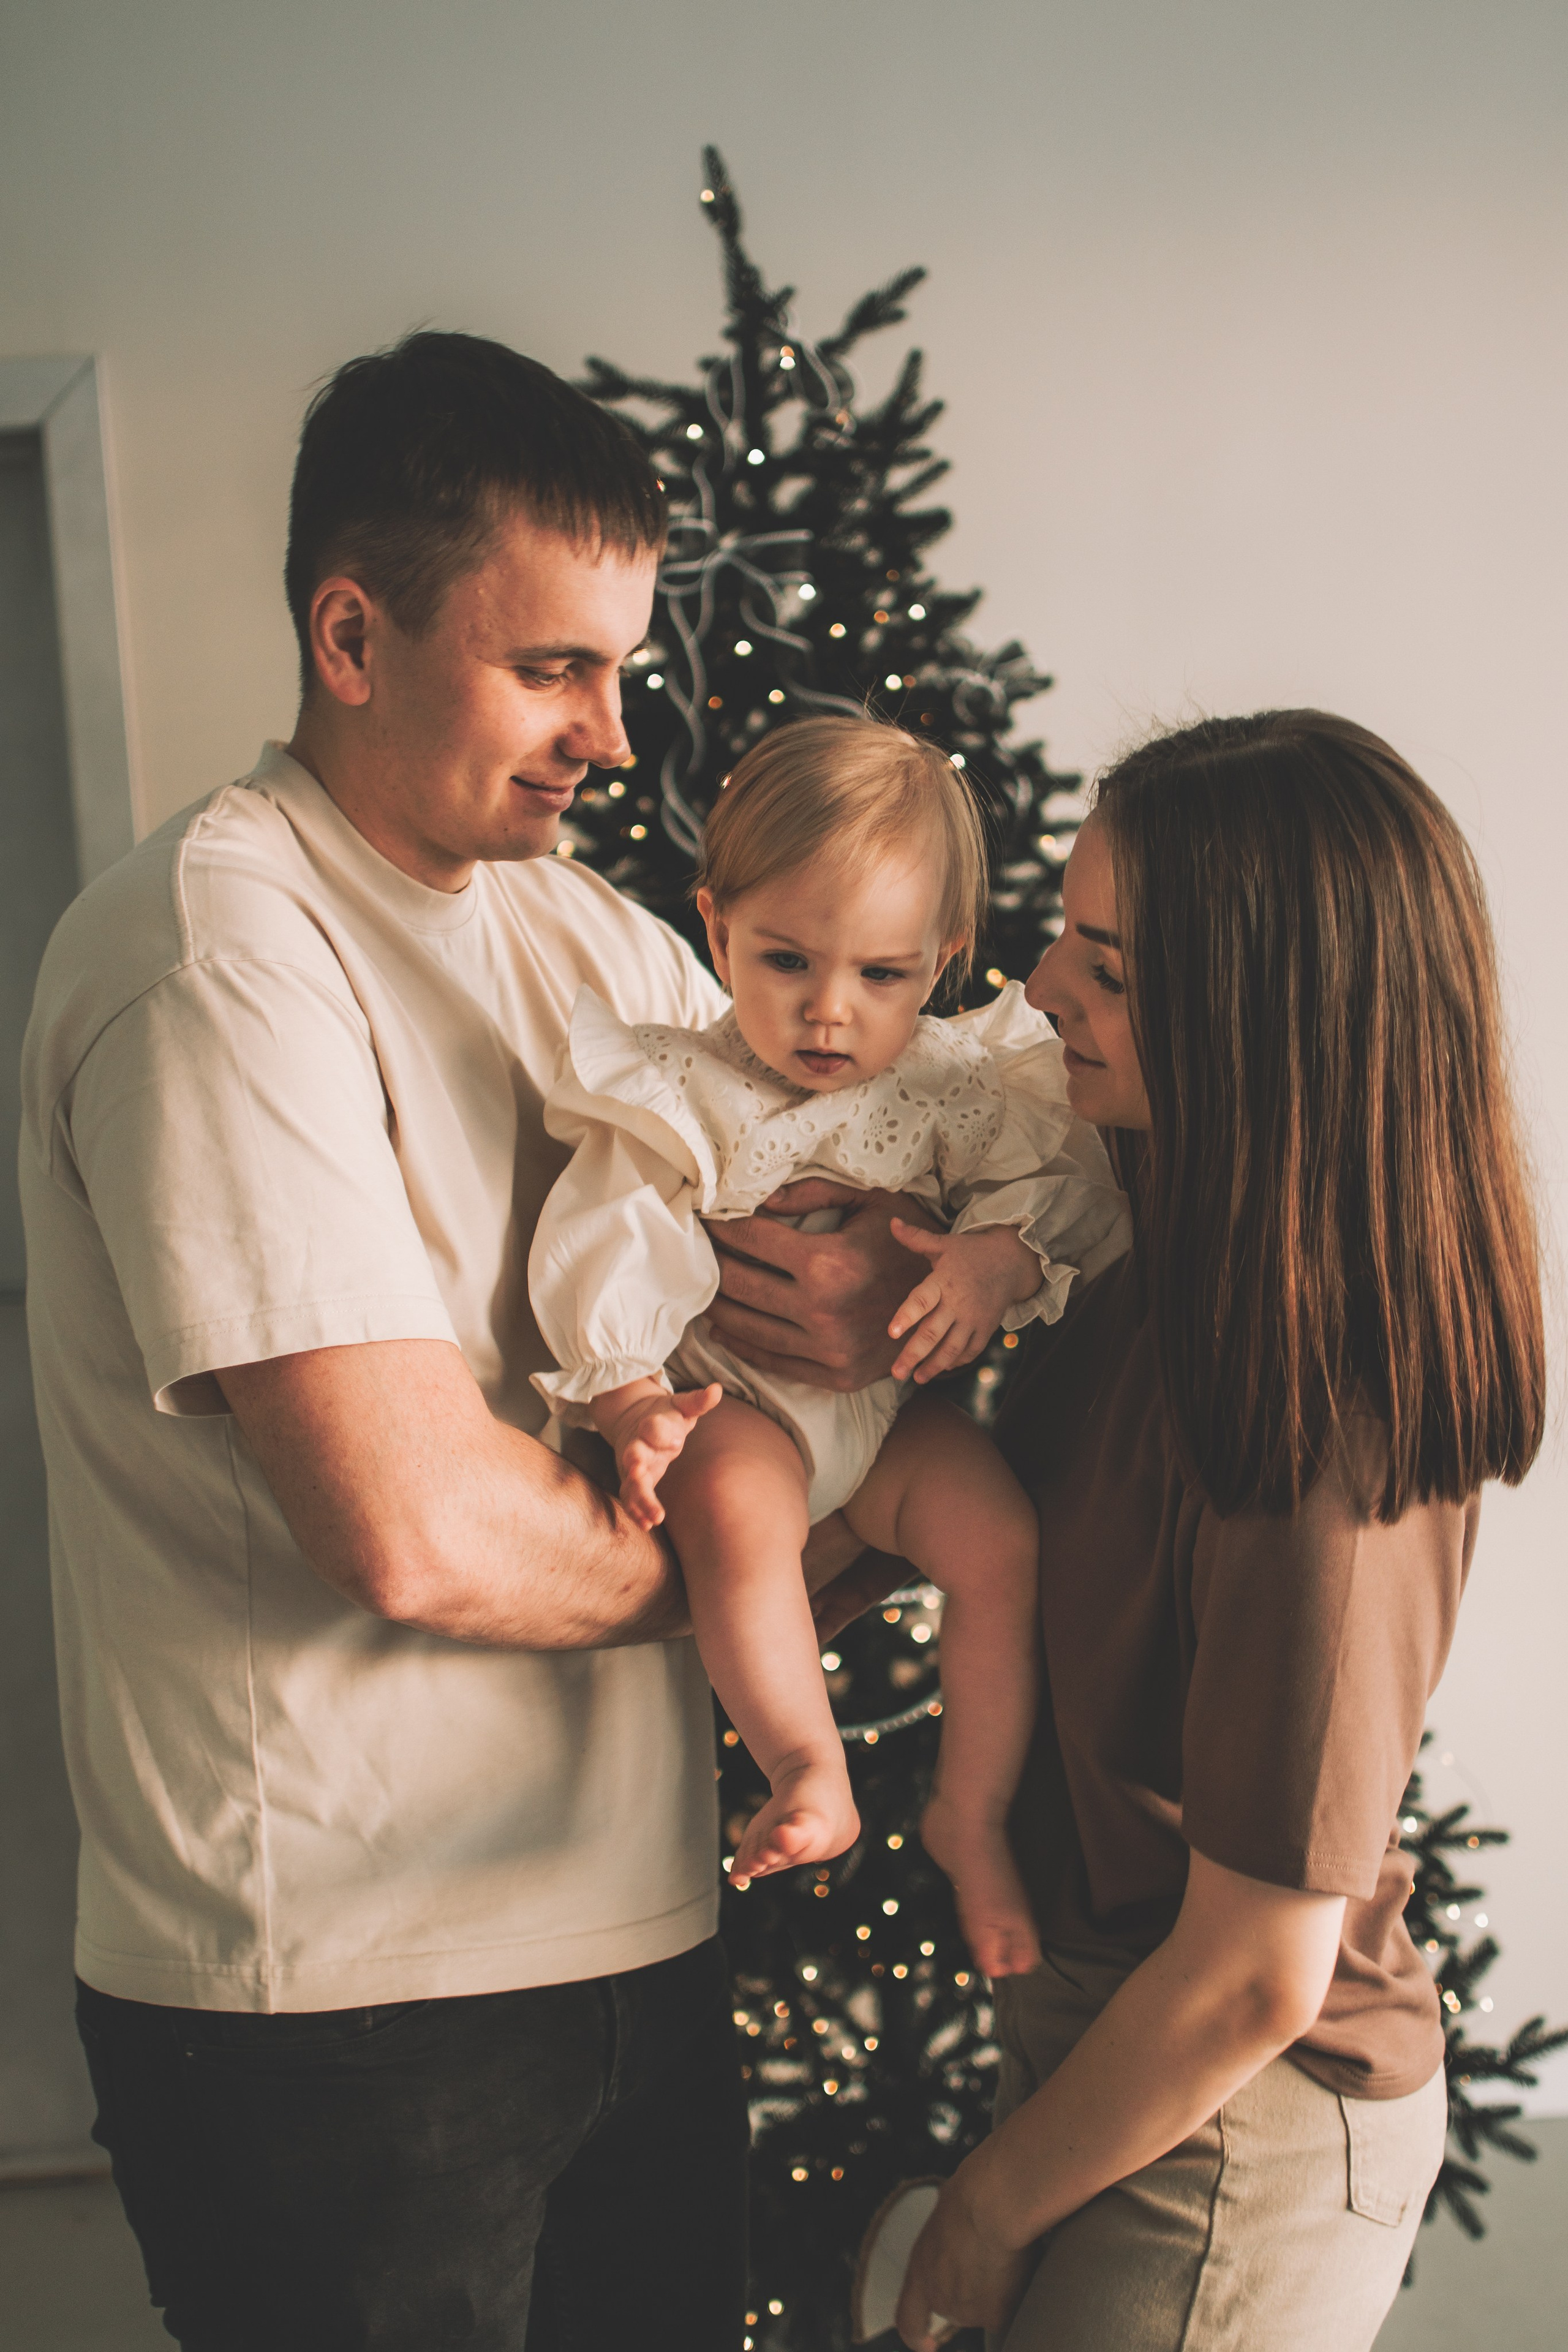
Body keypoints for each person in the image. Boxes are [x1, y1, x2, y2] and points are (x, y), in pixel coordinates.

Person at [20, 329, 928, 2352]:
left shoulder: (596, 940)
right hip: (337, 2005)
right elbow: (415, 1530)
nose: (616, 736)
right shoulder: (215, 952)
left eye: (620, 664)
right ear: (352, 634)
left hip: (633, 1938)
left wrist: (865, 1302)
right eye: (553, 670)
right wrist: (791, 1562)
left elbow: (830, 1274)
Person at [895, 710, 1546, 2352]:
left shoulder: (1327, 1432)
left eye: (1107, 968)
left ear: (1267, 1020)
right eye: (1063, 934)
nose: (1044, 986)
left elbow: (1259, 1972)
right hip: (1113, 2049)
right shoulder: (1139, 1235)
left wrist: (984, 2209)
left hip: (1241, 2110)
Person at [527, 716, 1131, 1975]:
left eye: (880, 976)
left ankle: (966, 1814)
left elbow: (1064, 1190)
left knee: (999, 1542)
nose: (825, 1013)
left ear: (941, 961)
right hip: (736, 1404)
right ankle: (809, 1764)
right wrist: (632, 1396)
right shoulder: (681, 1087)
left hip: (886, 1425)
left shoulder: (954, 1084)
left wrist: (992, 1258)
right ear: (715, 931)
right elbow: (603, 1235)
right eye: (785, 960)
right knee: (741, 1521)